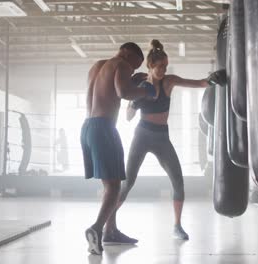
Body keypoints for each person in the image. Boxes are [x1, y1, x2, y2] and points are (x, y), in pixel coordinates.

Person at [104, 39, 226, 243]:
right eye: (160, 66)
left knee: (178, 181)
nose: (163, 69)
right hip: (142, 135)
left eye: (165, 66)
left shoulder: (169, 81)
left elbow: (197, 83)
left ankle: (177, 226)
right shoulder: (140, 83)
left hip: (162, 137)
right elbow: (127, 117)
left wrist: (212, 80)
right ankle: (108, 225)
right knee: (127, 184)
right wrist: (137, 100)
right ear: (150, 66)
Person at [81, 42, 156, 255]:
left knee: (110, 183)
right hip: (104, 128)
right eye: (133, 64)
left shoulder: (98, 66)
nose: (131, 69)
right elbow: (123, 92)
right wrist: (144, 91)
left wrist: (132, 81)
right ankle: (96, 229)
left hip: (87, 127)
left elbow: (108, 91)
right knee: (114, 187)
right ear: (126, 53)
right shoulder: (121, 64)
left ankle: (111, 231)